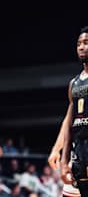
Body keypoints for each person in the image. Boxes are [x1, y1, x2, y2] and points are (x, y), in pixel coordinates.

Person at [60, 26, 88, 196]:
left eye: (86, 43)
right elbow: (69, 125)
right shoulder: (74, 83)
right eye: (79, 43)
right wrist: (64, 160)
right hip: (79, 152)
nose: (81, 47)